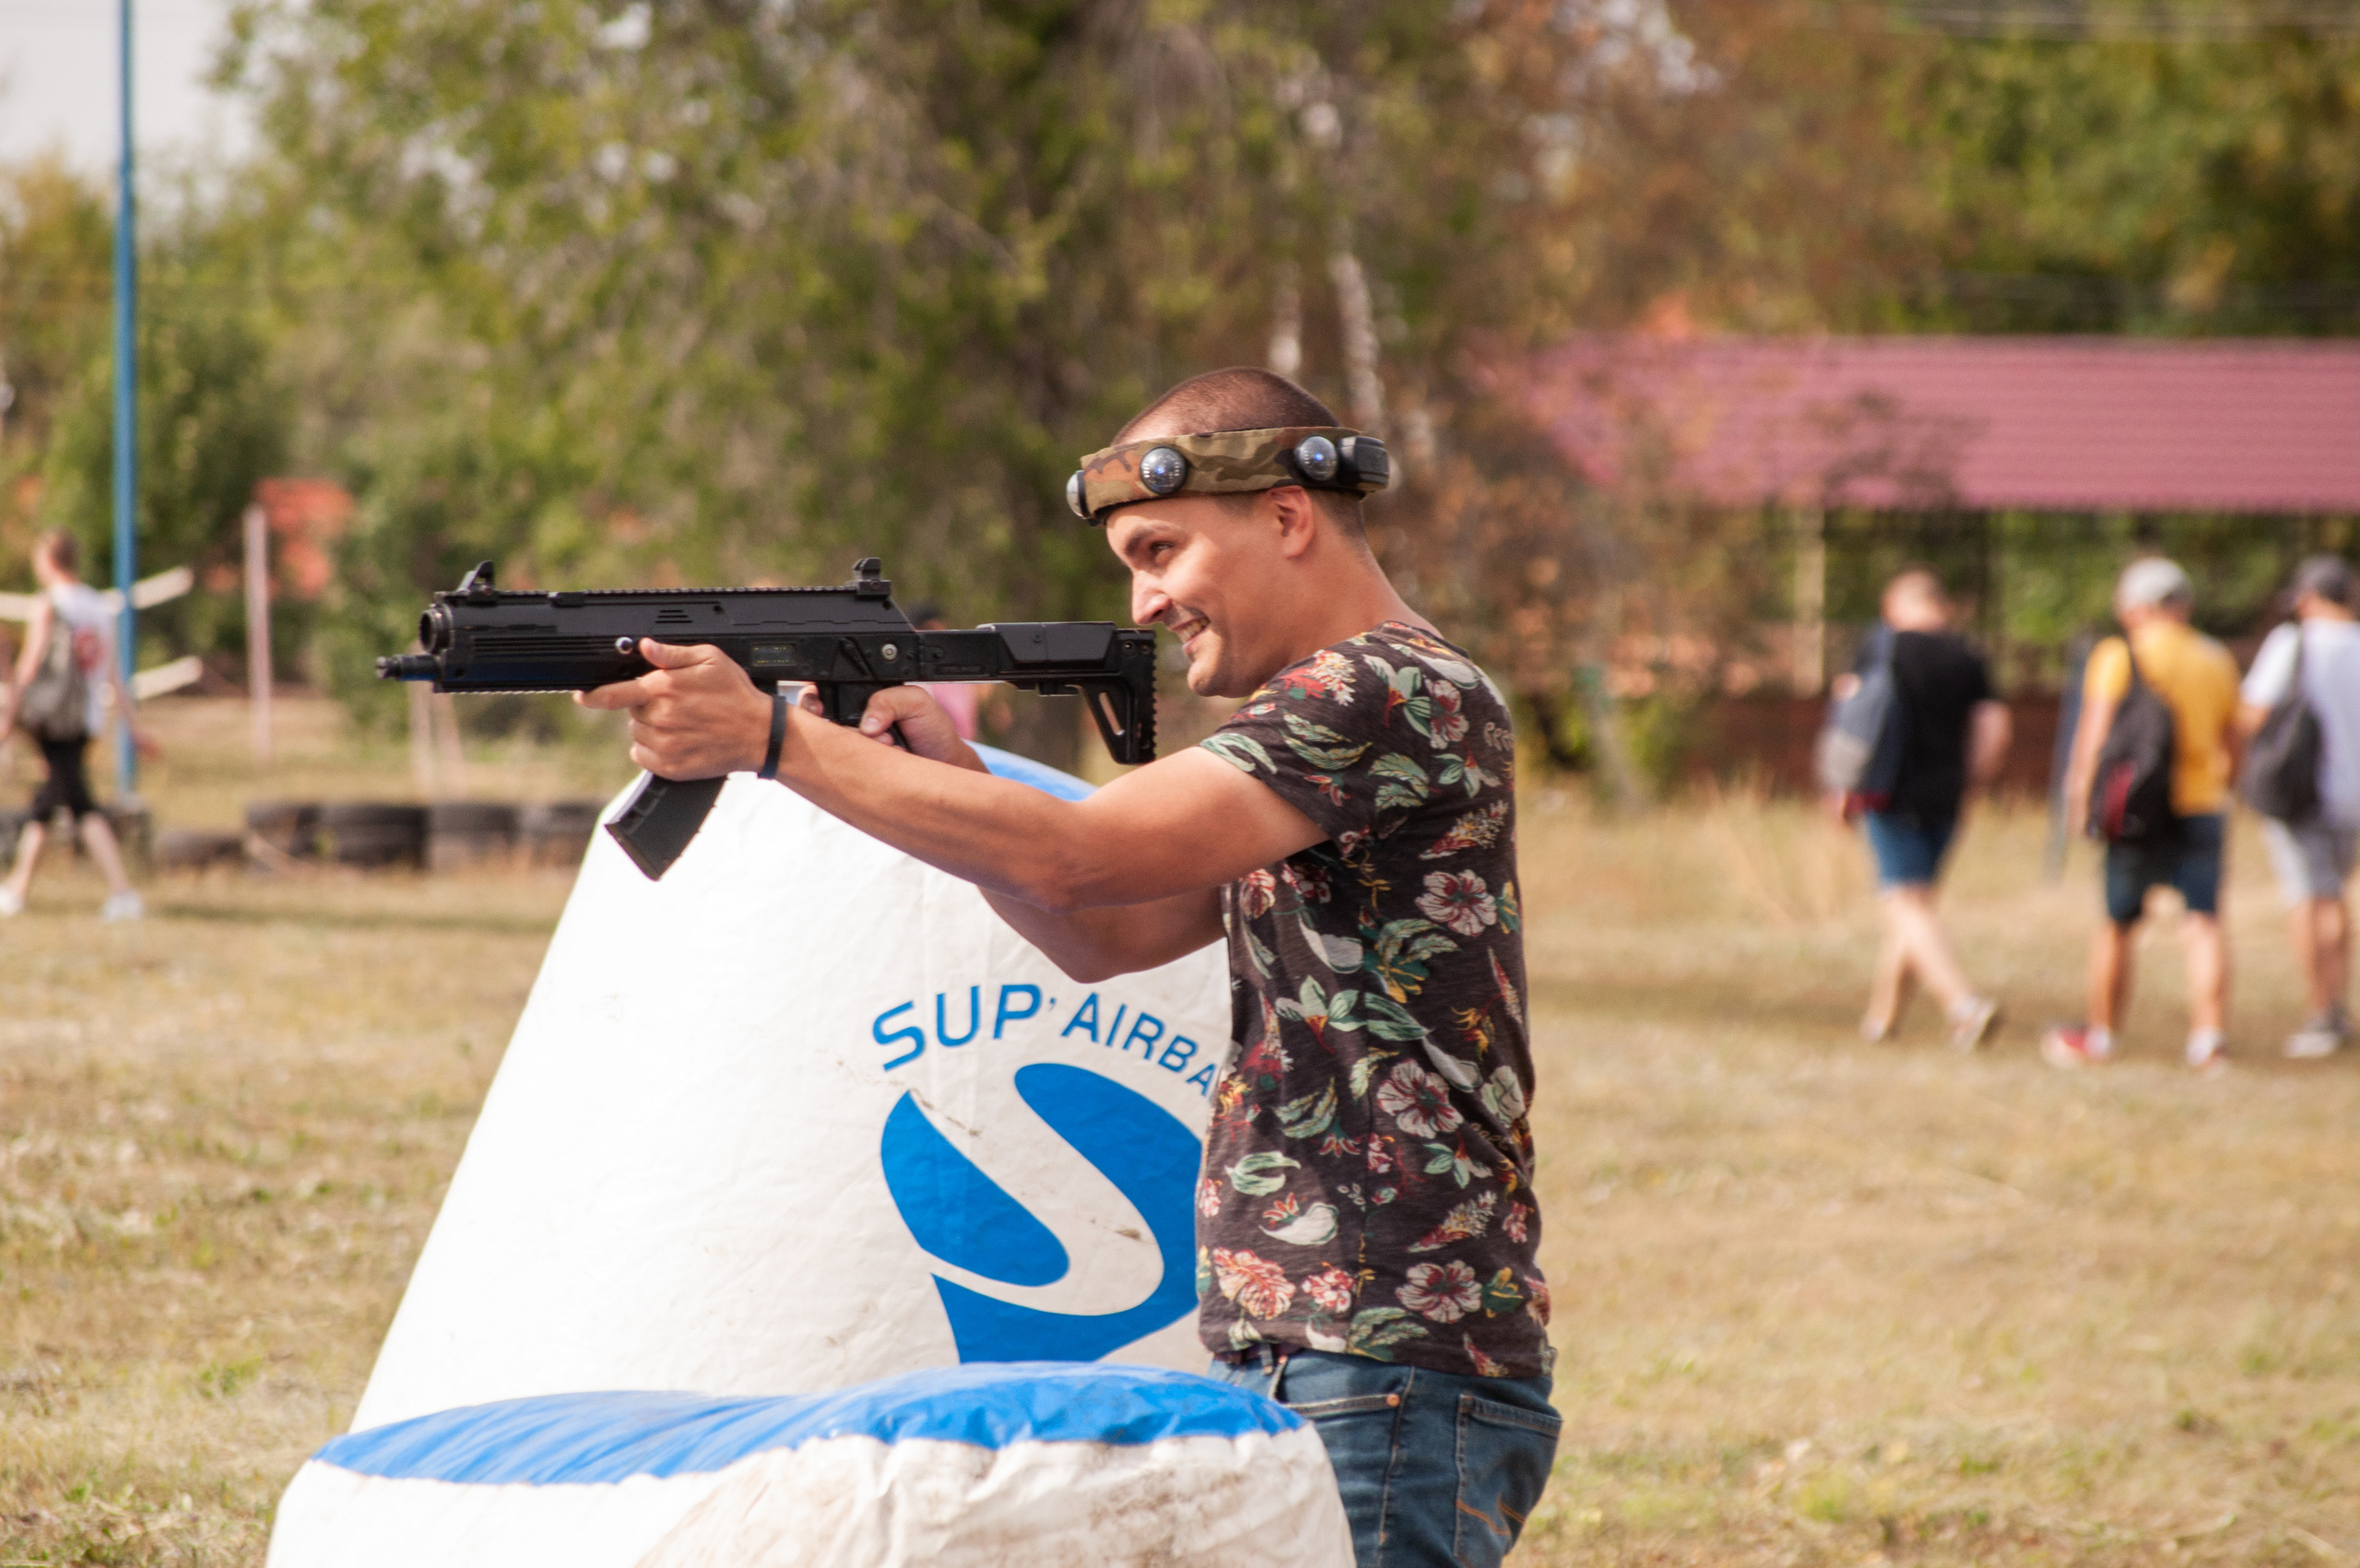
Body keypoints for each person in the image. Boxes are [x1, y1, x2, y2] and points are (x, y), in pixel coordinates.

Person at [579, 368, 1557, 1567]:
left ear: (1288, 518)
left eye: (1160, 550)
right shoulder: (1351, 718)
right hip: (1330, 1348)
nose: (1145, 604)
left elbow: (1083, 856)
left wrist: (772, 741)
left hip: (1384, 1349)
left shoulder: (1387, 693)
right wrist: (956, 777)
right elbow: (1107, 935)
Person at [2045, 558, 2242, 1072]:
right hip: (2201, 803)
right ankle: (2208, 1039)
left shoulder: (2118, 654)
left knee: (2117, 923)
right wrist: (2225, 784)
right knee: (2203, 922)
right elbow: (2233, 738)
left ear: (2137, 608)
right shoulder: (2214, 657)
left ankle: (2102, 1034)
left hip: (2134, 808)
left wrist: (2079, 798)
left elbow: (2094, 737)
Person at [1836, 570, 2010, 1049]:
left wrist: (1841, 787)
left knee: (1904, 905)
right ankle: (1883, 1020)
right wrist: (1971, 785)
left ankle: (1964, 1006)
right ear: (1943, 606)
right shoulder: (1969, 656)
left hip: (1887, 791)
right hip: (1947, 798)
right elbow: (1994, 730)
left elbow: (1850, 716)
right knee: (1917, 906)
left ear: (1895, 606)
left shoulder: (1882, 646)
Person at [2238, 554, 2360, 1058]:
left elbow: (2253, 713)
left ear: (2308, 599)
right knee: (2335, 897)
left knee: (2308, 898)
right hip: (2353, 796)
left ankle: (2320, 1012)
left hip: (2302, 793)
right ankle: (2339, 1007)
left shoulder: (2293, 642)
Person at [0, 530, 148, 920]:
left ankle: (123, 891)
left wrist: (8, 715)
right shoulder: (100, 606)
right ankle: (16, 888)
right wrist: (134, 727)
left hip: (53, 717)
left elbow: (29, 666)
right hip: (86, 718)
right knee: (49, 799)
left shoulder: (49, 605)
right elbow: (113, 674)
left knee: (80, 805)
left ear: (48, 560)